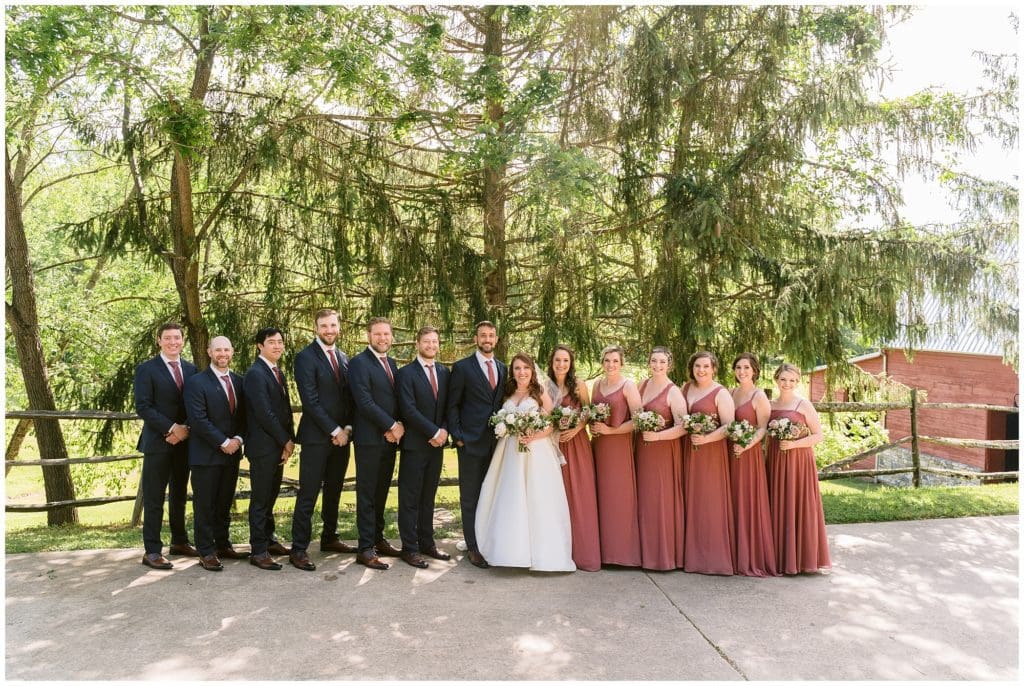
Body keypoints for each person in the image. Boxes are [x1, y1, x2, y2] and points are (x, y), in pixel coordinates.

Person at [475, 353, 574, 572]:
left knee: (536, 497)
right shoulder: (508, 393)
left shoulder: (540, 393)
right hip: (509, 452)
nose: (522, 372)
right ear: (512, 371)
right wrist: (506, 426)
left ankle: (539, 552)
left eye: (525, 368)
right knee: (510, 495)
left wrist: (534, 436)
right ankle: (508, 550)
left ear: (532, 370)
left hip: (536, 451)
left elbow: (550, 424)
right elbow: (502, 418)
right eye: (517, 368)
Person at [290, 308, 355, 572]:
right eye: (324, 326)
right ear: (316, 328)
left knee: (334, 491)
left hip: (343, 438)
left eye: (333, 325)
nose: (329, 330)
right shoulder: (305, 357)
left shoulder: (343, 357)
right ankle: (298, 549)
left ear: (339, 327)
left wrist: (348, 428)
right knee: (308, 493)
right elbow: (311, 401)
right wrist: (334, 430)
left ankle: (330, 537)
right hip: (317, 438)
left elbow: (349, 398)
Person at [133, 322, 199, 569]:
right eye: (168, 338)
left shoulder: (192, 370)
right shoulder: (147, 369)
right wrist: (172, 428)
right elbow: (143, 406)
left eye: (177, 338)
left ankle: (179, 541)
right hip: (158, 442)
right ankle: (151, 551)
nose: (173, 342)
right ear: (159, 341)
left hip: (184, 443)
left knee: (180, 494)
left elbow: (197, 405)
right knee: (154, 497)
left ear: (183, 341)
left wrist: (185, 430)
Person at [184, 336, 247, 572]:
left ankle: (223, 545)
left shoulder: (239, 382)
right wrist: (223, 441)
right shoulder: (196, 382)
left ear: (232, 352)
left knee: (223, 503)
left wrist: (238, 439)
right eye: (218, 349)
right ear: (209, 352)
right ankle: (206, 551)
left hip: (232, 454)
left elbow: (245, 417)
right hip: (206, 455)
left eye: (227, 349)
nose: (223, 353)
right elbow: (198, 419)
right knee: (205, 505)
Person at [447, 321, 507, 569]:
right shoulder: (462, 368)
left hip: (498, 445)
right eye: (483, 335)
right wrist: (458, 435)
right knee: (470, 496)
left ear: (496, 339)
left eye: (491, 335)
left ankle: (489, 541)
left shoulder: (503, 368)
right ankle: (473, 546)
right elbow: (452, 405)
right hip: (470, 443)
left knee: (492, 494)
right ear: (476, 339)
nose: (487, 339)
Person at [348, 317, 404, 570]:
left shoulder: (391, 363)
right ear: (369, 336)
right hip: (369, 440)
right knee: (368, 493)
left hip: (389, 440)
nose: (383, 338)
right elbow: (364, 401)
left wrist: (395, 429)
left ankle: (378, 539)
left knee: (381, 491)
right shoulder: (359, 363)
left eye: (386, 334)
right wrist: (391, 426)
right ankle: (365, 548)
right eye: (378, 334)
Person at [766, 363, 831, 575]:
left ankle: (801, 559)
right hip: (775, 460)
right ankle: (778, 557)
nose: (787, 384)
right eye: (784, 379)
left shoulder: (803, 404)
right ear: (777, 379)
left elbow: (818, 435)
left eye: (792, 380)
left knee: (797, 503)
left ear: (797, 382)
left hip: (799, 462)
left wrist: (793, 444)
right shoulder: (769, 405)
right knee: (777, 503)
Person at [395, 326, 452, 568]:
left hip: (437, 445)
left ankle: (427, 543)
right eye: (426, 341)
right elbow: (408, 409)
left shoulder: (444, 372)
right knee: (410, 498)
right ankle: (409, 548)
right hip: (416, 444)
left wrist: (444, 431)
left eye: (434, 341)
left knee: (428, 496)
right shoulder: (405, 373)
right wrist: (433, 431)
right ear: (417, 344)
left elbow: (450, 405)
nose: (431, 345)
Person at [242, 327, 295, 571]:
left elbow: (284, 410)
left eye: (280, 342)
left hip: (277, 446)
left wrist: (288, 440)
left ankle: (270, 539)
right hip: (263, 447)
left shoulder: (276, 371)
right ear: (259, 346)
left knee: (271, 495)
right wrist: (285, 440)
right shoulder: (255, 374)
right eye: (271, 342)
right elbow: (264, 413)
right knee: (261, 499)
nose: (277, 346)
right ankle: (258, 550)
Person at [546, 344, 601, 571]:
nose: (561, 365)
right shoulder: (544, 387)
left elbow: (588, 412)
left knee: (579, 494)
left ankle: (584, 553)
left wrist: (577, 429)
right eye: (558, 360)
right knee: (556, 496)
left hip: (577, 445)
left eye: (565, 361)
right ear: (551, 362)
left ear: (571, 363)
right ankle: (557, 551)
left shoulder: (578, 385)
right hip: (552, 445)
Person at [682, 351, 736, 576]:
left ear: (714, 368)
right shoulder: (685, 388)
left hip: (711, 453)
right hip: (688, 451)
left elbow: (729, 426)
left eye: (706, 366)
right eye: (697, 366)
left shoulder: (720, 393)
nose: (701, 370)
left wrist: (706, 438)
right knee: (689, 500)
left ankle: (712, 559)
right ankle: (690, 557)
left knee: (709, 502)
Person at [635, 347, 687, 571]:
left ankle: (664, 557)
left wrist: (657, 436)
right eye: (653, 361)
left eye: (662, 362)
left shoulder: (673, 391)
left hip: (663, 452)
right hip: (642, 450)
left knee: (660, 501)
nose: (657, 365)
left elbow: (683, 426)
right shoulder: (642, 385)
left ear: (669, 365)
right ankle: (644, 554)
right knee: (643, 500)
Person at [590, 345, 642, 567]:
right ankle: (603, 552)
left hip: (619, 447)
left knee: (619, 498)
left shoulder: (628, 386)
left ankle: (622, 554)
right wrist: (594, 426)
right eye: (607, 360)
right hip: (599, 447)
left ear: (622, 363)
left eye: (615, 361)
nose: (610, 365)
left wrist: (611, 430)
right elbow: (592, 413)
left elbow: (638, 420)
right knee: (600, 496)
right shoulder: (596, 385)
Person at [729, 353, 778, 577]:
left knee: (747, 501)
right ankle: (731, 553)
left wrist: (746, 445)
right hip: (730, 454)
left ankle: (751, 556)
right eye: (738, 367)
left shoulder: (758, 396)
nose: (742, 371)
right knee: (731, 501)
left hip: (748, 455)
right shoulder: (731, 393)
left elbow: (763, 428)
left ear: (754, 370)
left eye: (746, 368)